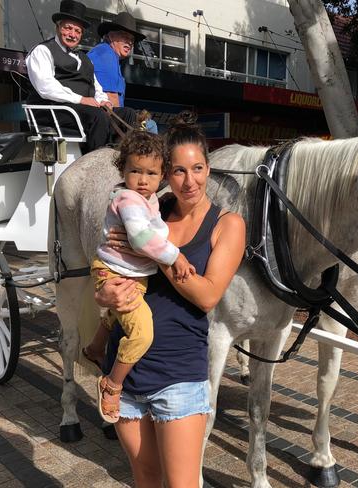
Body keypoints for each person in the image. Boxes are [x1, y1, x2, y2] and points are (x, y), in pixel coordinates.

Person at [94, 111, 245, 486]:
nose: (188, 180)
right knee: (144, 478)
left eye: (197, 168)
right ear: (166, 175)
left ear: (209, 169)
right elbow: (111, 266)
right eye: (178, 170)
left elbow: (208, 295)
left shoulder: (227, 225)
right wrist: (104, 291)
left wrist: (151, 254)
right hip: (126, 371)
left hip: (178, 375)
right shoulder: (147, 209)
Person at [82, 130, 195, 424]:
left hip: (132, 271)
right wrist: (175, 256)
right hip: (117, 271)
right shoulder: (130, 199)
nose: (143, 180)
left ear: (162, 176)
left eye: (151, 173)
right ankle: (112, 384)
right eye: (135, 171)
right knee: (142, 333)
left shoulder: (150, 200)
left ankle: (95, 348)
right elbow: (143, 238)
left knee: (115, 316)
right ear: (123, 170)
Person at [25, 0, 137, 152]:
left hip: (80, 110)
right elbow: (46, 87)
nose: (72, 34)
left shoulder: (85, 59)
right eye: (68, 28)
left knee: (128, 114)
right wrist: (82, 100)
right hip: (54, 110)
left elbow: (96, 86)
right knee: (97, 116)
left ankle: (119, 158)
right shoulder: (43, 51)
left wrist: (104, 101)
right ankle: (95, 165)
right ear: (58, 27)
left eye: (77, 31)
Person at [88, 12, 159, 134]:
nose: (130, 42)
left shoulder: (110, 55)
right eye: (124, 36)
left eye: (132, 39)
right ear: (111, 36)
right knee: (151, 126)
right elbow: (111, 97)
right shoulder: (106, 54)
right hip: (103, 120)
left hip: (101, 117)